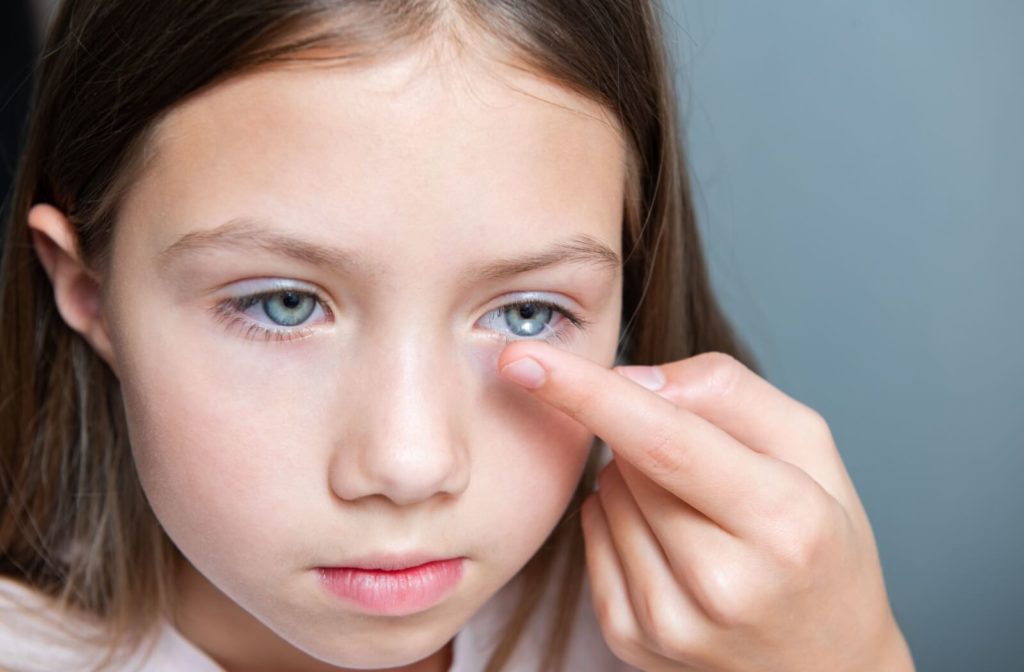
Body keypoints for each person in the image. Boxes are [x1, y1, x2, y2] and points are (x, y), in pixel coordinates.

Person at [0, 1, 915, 670]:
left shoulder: (726, 635)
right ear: (88, 290)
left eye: (526, 313)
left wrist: (851, 658)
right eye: (283, 304)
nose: (407, 465)